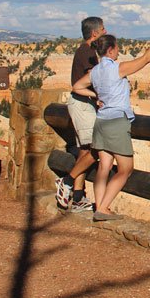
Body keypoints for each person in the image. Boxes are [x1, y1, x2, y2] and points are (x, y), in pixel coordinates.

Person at [72, 29, 150, 221]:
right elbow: (145, 60)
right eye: (117, 48)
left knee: (104, 167)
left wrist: (97, 96)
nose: (118, 52)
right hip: (117, 122)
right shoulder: (116, 68)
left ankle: (99, 208)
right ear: (110, 50)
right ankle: (102, 208)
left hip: (100, 121)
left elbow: (76, 87)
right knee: (125, 169)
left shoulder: (95, 72)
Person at [55, 17, 106, 214]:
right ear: (94, 33)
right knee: (96, 150)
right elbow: (93, 78)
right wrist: (102, 95)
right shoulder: (87, 52)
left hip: (83, 105)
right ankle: (66, 182)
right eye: (102, 29)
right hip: (84, 105)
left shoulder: (86, 51)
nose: (105, 31)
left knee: (85, 152)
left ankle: (77, 198)